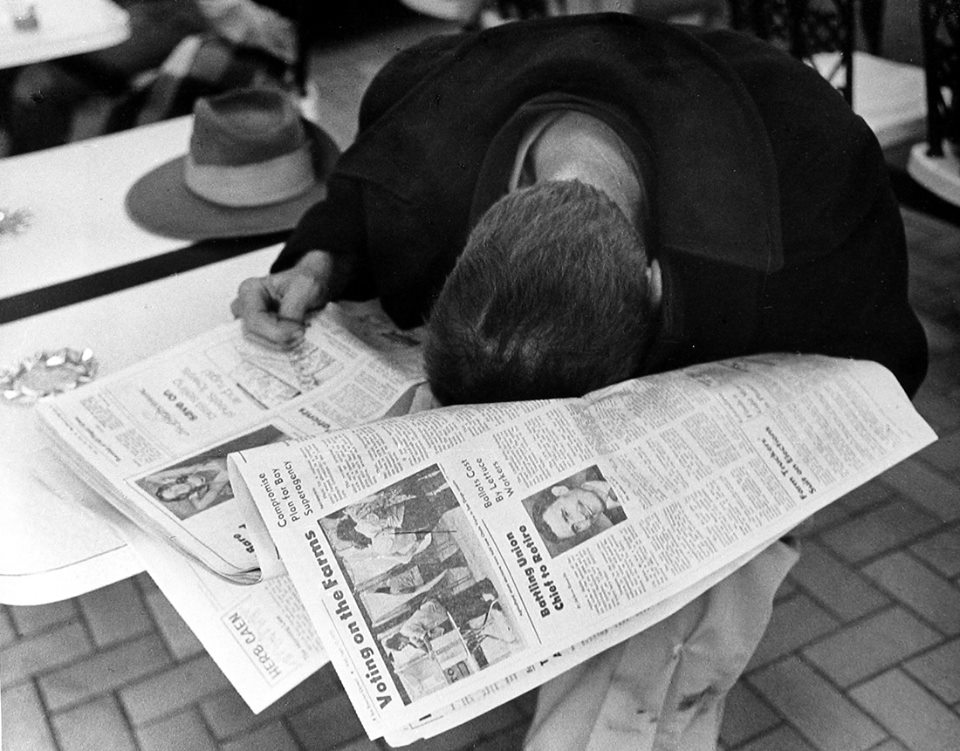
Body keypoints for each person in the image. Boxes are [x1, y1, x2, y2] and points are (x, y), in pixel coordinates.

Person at [231, 14, 927, 750]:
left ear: (654, 284)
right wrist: (317, 261)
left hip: (717, 387)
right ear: (473, 234)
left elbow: (878, 370)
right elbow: (364, 196)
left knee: (665, 634)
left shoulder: (812, 175)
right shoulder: (429, 92)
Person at [532, 479, 625, 544]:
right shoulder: (620, 523)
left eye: (566, 514)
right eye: (576, 528)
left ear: (561, 491)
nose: (583, 518)